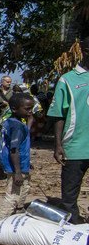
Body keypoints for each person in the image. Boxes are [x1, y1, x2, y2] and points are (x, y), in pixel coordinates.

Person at [48, 56, 89, 224]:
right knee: (70, 193)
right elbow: (58, 114)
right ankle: (74, 225)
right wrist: (58, 145)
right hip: (75, 146)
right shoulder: (67, 80)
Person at [0, 93, 35, 222]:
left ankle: (19, 209)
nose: (30, 111)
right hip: (16, 166)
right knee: (13, 195)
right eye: (27, 109)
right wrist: (17, 172)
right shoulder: (16, 126)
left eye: (31, 108)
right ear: (14, 109)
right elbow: (14, 150)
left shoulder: (12, 122)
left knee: (25, 186)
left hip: (21, 163)